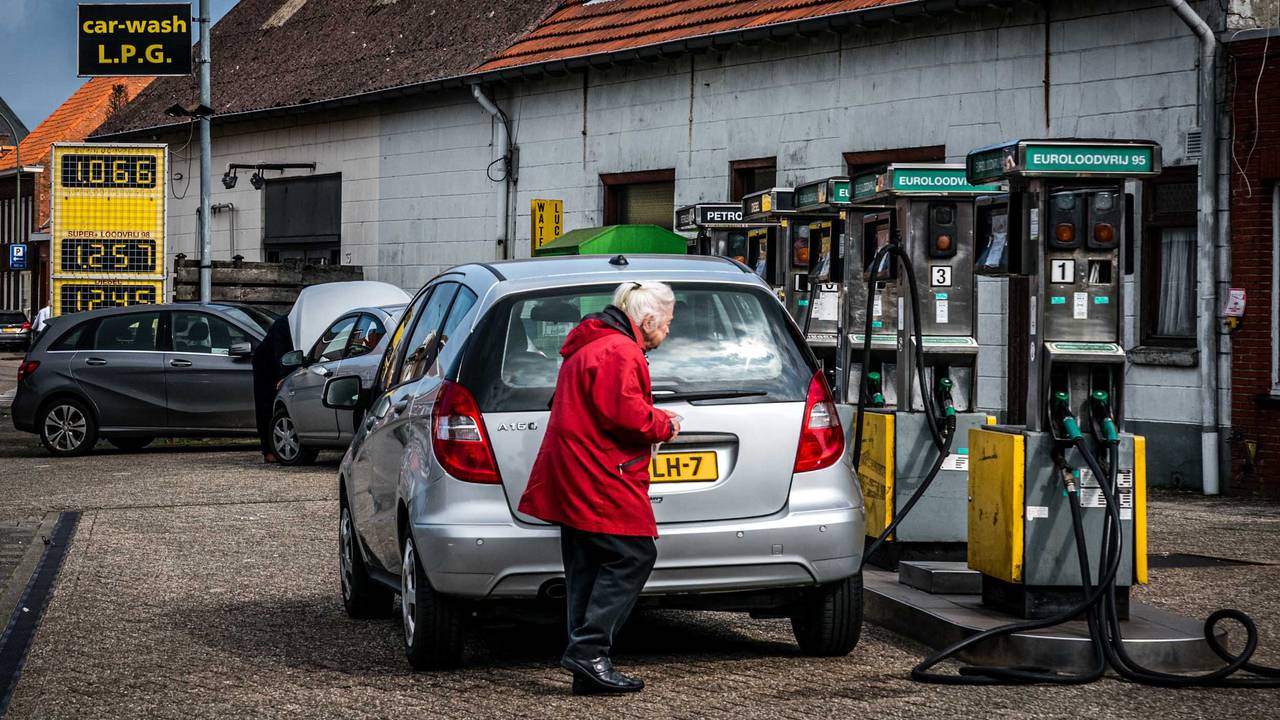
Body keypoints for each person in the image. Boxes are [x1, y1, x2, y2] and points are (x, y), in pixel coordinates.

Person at [519, 281, 680, 696]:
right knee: (635, 554)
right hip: (602, 473)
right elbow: (627, 416)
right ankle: (589, 650)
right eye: (667, 323)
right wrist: (666, 424)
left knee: (586, 567)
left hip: (575, 469)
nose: (667, 331)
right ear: (647, 321)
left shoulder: (593, 344)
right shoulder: (620, 351)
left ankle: (587, 667)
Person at [251, 314, 295, 463]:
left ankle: (272, 448)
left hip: (279, 360)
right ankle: (268, 450)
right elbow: (280, 350)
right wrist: (285, 374)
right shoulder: (285, 323)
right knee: (266, 405)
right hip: (267, 365)